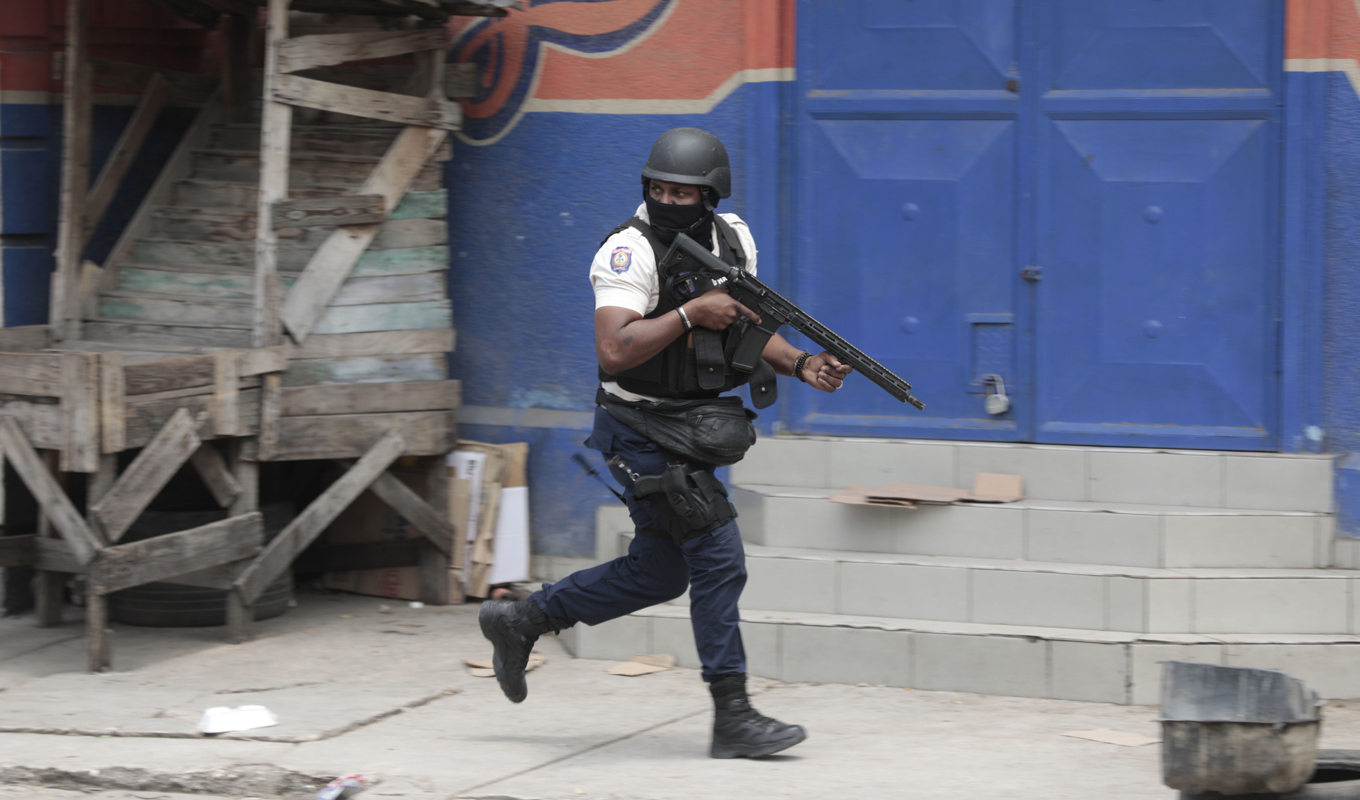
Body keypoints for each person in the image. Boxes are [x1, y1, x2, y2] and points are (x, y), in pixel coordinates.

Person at [479, 127, 851, 759]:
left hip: (693, 426)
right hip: (640, 428)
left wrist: (801, 363)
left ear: (710, 197)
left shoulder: (733, 240)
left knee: (659, 570)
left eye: (684, 191)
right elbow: (614, 349)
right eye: (659, 189)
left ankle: (522, 620)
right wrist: (687, 314)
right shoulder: (627, 251)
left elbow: (743, 333)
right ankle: (732, 715)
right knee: (717, 556)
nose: (670, 199)